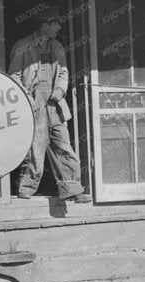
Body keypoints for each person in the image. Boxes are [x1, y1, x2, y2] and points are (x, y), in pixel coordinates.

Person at [8, 12, 88, 202]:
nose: (59, 28)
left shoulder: (57, 46)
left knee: (63, 144)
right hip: (34, 104)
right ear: (45, 25)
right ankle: (27, 186)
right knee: (35, 146)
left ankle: (72, 188)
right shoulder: (22, 46)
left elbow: (63, 72)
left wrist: (61, 88)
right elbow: (14, 77)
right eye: (56, 23)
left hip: (55, 104)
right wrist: (27, 98)